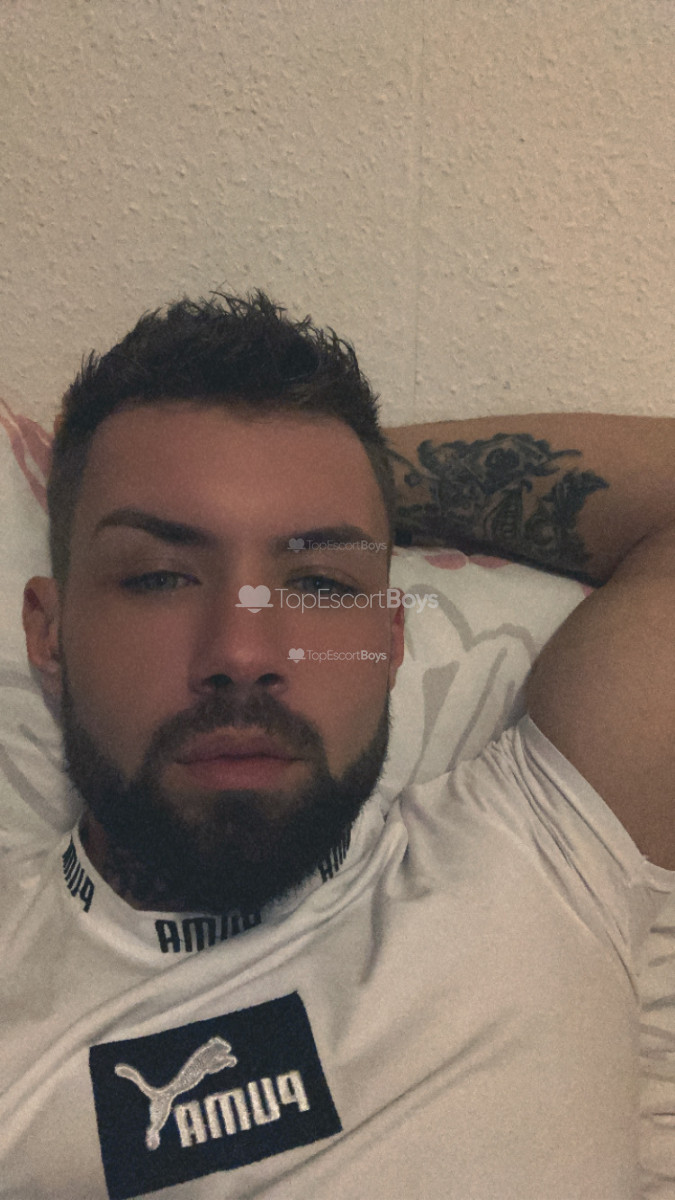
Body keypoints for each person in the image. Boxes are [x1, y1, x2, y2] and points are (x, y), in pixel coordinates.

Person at [4, 290, 674, 1199]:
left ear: (389, 641)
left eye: (321, 583)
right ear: (48, 634)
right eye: (159, 576)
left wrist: (364, 480)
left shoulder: (544, 860)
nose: (243, 652)